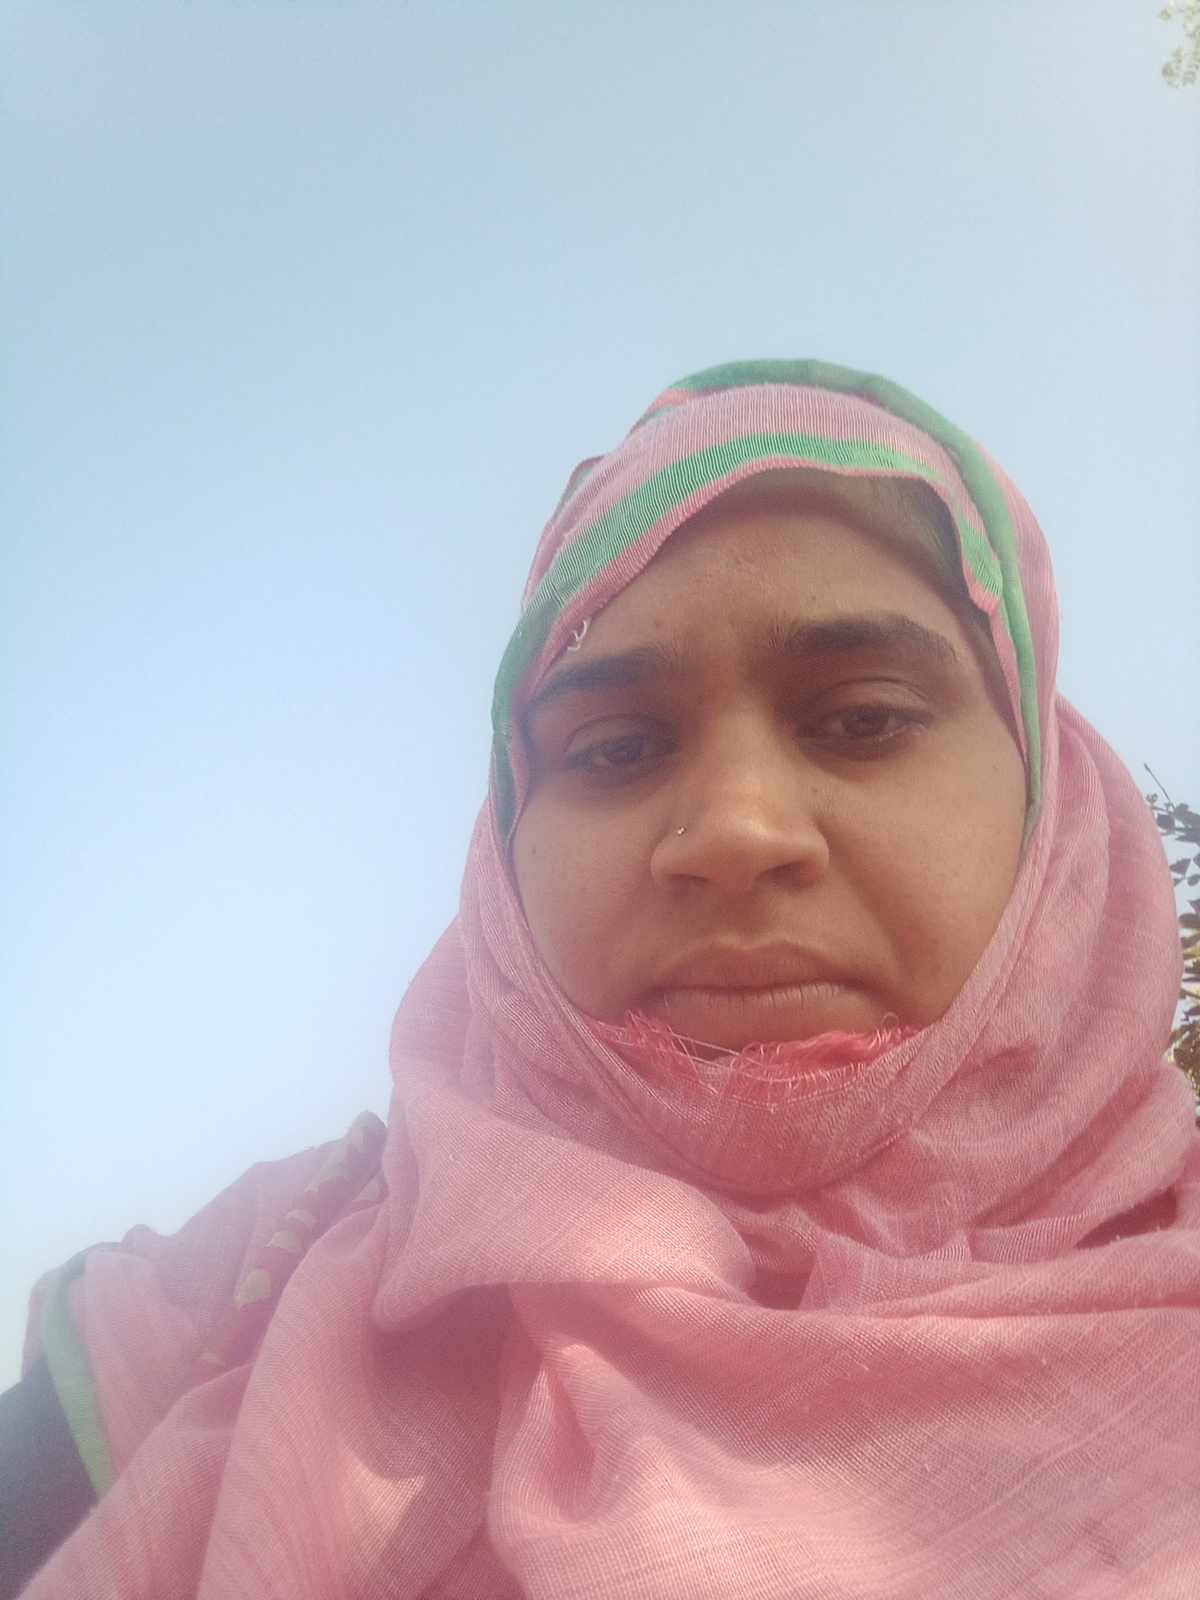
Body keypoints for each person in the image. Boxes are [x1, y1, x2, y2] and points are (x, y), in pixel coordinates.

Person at [3, 359, 1196, 1599]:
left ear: (1050, 803)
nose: (734, 831)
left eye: (863, 719)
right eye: (617, 746)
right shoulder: (239, 1303)